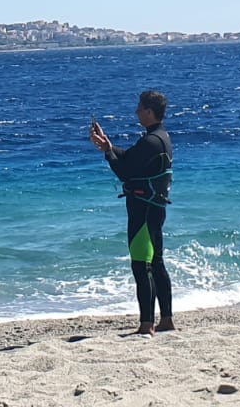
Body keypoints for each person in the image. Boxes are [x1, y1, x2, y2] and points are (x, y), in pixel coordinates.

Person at [89, 89, 174, 335]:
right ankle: (166, 319)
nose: (136, 111)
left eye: (139, 108)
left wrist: (108, 155)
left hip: (143, 210)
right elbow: (131, 160)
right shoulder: (161, 138)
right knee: (157, 262)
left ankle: (147, 324)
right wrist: (109, 146)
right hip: (155, 209)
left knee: (141, 264)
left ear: (149, 111)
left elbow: (125, 172)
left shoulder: (150, 141)